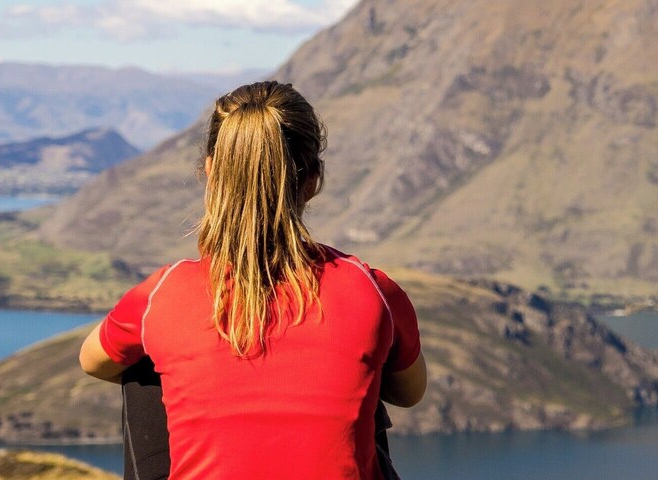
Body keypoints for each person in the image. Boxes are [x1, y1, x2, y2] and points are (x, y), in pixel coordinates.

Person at [78, 81, 428, 479]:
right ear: (313, 180)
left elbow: (93, 361)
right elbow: (409, 393)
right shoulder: (372, 289)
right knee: (369, 377)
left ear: (210, 172)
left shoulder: (164, 293)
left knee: (141, 364)